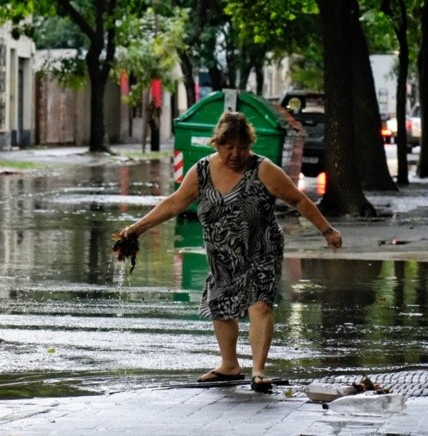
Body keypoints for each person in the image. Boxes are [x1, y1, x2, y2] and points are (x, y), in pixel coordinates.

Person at [118, 111, 343, 392]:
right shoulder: (201, 171)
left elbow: (298, 199)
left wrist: (327, 230)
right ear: (217, 143)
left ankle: (259, 370)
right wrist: (136, 229)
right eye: (229, 147)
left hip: (261, 249)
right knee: (222, 305)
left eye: (242, 147)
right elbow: (174, 203)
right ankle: (230, 365)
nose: (236, 153)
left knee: (259, 303)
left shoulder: (264, 170)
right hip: (221, 253)